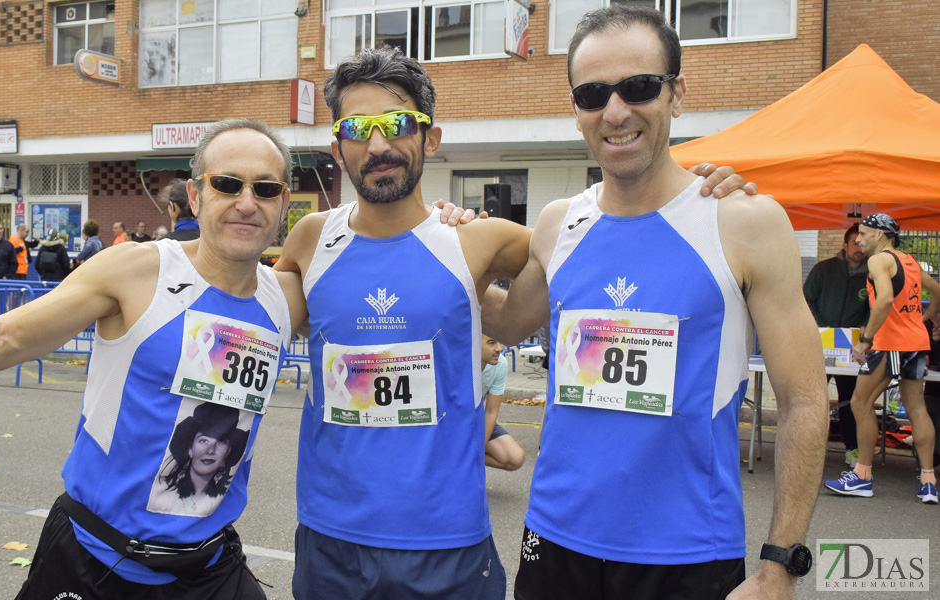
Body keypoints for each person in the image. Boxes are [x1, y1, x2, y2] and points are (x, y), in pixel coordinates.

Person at [274, 45, 752, 599]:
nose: (378, 144)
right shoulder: (309, 240)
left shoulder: (479, 239)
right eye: (359, 128)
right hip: (330, 536)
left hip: (447, 543)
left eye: (398, 122)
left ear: (430, 138)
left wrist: (699, 199)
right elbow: (243, 302)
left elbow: (607, 237)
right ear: (338, 147)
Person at [479, 7, 829, 599]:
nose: (615, 111)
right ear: (577, 109)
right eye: (592, 94)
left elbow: (805, 400)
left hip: (687, 553)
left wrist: (779, 566)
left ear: (677, 93)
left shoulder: (743, 223)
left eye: (638, 87)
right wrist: (438, 241)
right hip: (554, 543)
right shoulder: (558, 223)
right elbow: (507, 321)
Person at [0, 119, 309, 598]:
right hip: (94, 562)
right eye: (227, 184)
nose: (246, 202)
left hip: (211, 569)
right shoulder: (136, 272)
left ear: (283, 203)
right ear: (196, 195)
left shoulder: (288, 297)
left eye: (265, 189)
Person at [825, 213, 940, 504]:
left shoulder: (879, 260)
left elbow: (886, 299)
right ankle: (928, 481)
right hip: (916, 343)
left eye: (863, 233)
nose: (859, 239)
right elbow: (937, 291)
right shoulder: (909, 260)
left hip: (890, 344)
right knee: (917, 408)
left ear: (880, 234)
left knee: (859, 403)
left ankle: (862, 475)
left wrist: (865, 341)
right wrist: (927, 321)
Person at [803, 224, 870, 466]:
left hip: (852, 350)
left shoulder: (872, 275)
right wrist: (822, 328)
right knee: (813, 399)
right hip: (819, 344)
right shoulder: (824, 269)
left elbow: (874, 310)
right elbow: (806, 299)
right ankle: (808, 447)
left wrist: (865, 329)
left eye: (862, 243)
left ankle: (852, 448)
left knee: (851, 400)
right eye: (855, 243)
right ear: (844, 245)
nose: (859, 248)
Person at [148, 402, 251, 517]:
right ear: (190, 449)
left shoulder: (228, 497)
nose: (211, 450)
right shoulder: (160, 487)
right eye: (203, 440)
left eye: (221, 441)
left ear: (228, 452)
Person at [480, 335, 526, 471]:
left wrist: (478, 450)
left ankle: (466, 460)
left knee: (515, 458)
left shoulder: (500, 364)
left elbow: (491, 412)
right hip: (453, 421)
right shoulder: (459, 363)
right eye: (491, 343)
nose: (499, 348)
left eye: (500, 342)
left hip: (476, 418)